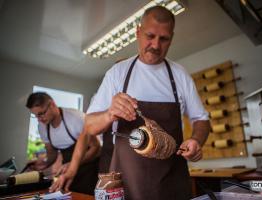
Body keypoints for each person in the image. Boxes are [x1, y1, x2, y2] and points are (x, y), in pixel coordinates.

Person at [51, 6, 210, 199]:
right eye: (150, 36)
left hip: (171, 184)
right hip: (126, 185)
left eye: (164, 39)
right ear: (137, 32)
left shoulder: (179, 75)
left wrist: (196, 140)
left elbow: (201, 119)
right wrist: (109, 113)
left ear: (172, 38)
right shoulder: (118, 73)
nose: (156, 45)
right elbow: (89, 126)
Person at [26, 92, 101, 195]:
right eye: (36, 116)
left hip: (90, 169)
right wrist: (43, 164)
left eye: (41, 113)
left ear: (52, 104)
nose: (39, 119)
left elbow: (96, 147)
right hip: (68, 172)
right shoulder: (42, 127)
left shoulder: (76, 118)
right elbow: (52, 154)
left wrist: (72, 164)